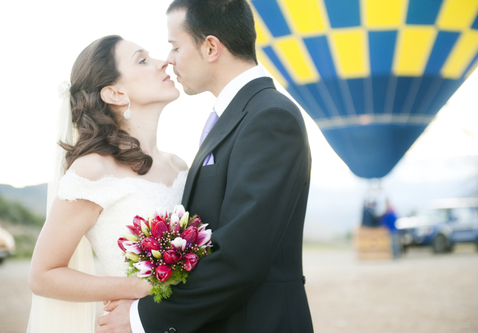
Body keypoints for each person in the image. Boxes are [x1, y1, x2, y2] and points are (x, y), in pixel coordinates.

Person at [98, 0, 314, 332]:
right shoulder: (236, 115)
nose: (168, 60)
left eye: (175, 46)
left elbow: (241, 256)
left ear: (211, 46)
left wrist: (142, 318)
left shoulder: (269, 117)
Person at [28, 35, 188, 332]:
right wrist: (134, 287)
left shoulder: (180, 166)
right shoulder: (94, 170)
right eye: (142, 59)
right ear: (115, 93)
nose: (163, 61)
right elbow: (43, 275)